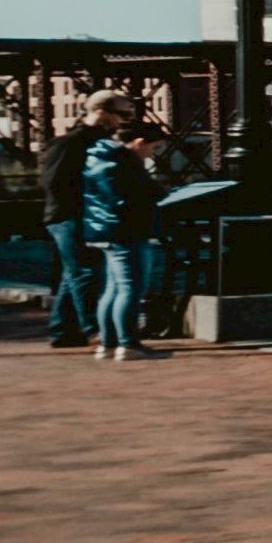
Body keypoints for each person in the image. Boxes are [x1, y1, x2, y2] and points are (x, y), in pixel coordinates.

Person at [39, 96, 136, 349]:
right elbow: (53, 182)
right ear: (100, 111)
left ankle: (62, 331)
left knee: (73, 274)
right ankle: (95, 329)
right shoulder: (69, 142)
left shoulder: (91, 141)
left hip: (79, 215)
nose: (124, 120)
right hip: (69, 216)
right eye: (122, 114)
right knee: (85, 271)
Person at [81, 121, 168, 362]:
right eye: (154, 147)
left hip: (106, 230)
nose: (153, 154)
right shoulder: (123, 161)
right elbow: (128, 197)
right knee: (131, 288)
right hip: (127, 231)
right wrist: (157, 193)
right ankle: (128, 344)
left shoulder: (100, 155)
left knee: (112, 289)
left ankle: (108, 344)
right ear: (139, 142)